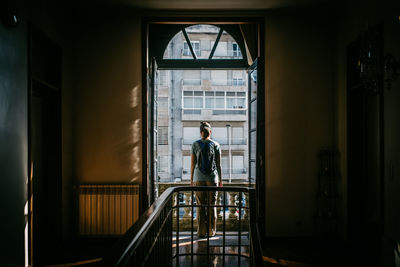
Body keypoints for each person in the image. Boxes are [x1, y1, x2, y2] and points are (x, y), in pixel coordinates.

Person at [190, 121, 223, 238]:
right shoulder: (216, 144)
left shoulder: (195, 144)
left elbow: (193, 164)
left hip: (198, 178)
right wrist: (220, 180)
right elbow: (218, 165)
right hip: (212, 178)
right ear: (210, 132)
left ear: (201, 132)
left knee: (200, 205)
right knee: (212, 205)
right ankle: (211, 231)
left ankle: (201, 232)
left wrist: (191, 180)